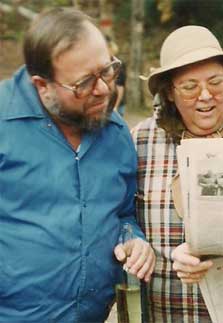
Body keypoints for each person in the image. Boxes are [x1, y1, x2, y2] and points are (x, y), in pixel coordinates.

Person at [0, 8, 155, 322]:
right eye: (84, 82)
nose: (104, 89)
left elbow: (123, 212)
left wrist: (133, 238)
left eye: (107, 70)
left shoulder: (116, 131)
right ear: (42, 85)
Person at [132, 25, 223, 322]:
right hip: (165, 314)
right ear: (170, 93)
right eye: (189, 87)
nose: (206, 96)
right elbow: (121, 220)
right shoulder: (140, 141)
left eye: (216, 83)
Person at [106, 35, 127, 117]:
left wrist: (115, 106)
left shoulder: (118, 64)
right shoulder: (106, 63)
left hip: (117, 103)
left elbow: (120, 86)